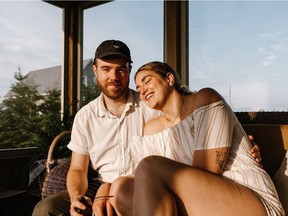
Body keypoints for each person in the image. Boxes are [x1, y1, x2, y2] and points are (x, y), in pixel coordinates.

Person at [32, 41, 262, 216]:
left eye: (121, 69)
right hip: (101, 186)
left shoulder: (152, 105)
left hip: (147, 184)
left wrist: (237, 141)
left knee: (134, 182)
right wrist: (77, 197)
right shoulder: (86, 116)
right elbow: (78, 170)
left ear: (129, 70)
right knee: (46, 208)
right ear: (95, 70)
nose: (114, 76)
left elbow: (191, 116)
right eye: (106, 69)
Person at [107, 61, 284, 216]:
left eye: (147, 81)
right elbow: (143, 181)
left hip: (246, 197)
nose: (143, 90)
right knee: (120, 188)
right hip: (194, 204)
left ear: (169, 79)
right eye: (138, 88)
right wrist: (107, 187)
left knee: (149, 166)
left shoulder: (205, 99)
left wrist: (159, 177)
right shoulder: (152, 129)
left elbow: (208, 169)